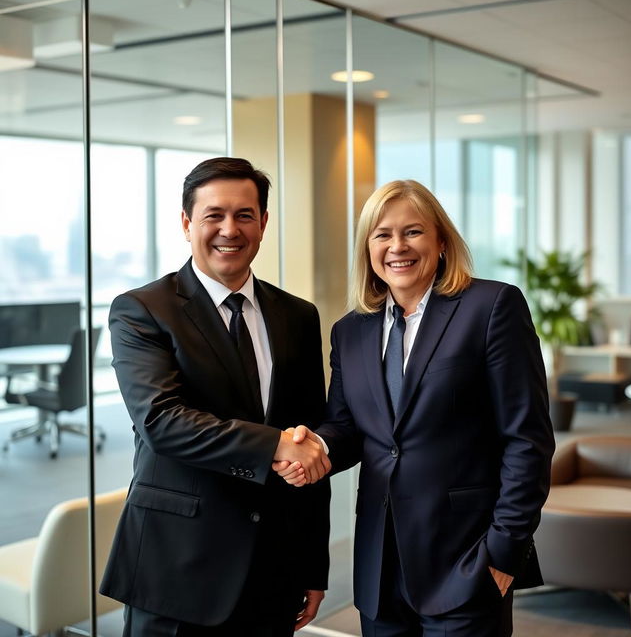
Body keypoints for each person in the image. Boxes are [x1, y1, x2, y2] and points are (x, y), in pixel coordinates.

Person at [274, 180, 555, 637]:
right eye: (382, 234)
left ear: (441, 241)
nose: (396, 246)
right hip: (378, 568)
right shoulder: (350, 331)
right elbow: (349, 427)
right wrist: (314, 448)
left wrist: (505, 550)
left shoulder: (491, 307)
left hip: (465, 559)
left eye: (413, 232)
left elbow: (528, 439)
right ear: (368, 248)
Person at [100, 157, 332, 637]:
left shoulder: (298, 316)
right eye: (214, 215)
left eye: (245, 215)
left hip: (273, 568)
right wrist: (275, 446)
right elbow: (162, 422)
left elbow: (309, 437)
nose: (230, 229)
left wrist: (313, 565)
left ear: (263, 224)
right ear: (187, 224)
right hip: (178, 569)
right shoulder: (142, 310)